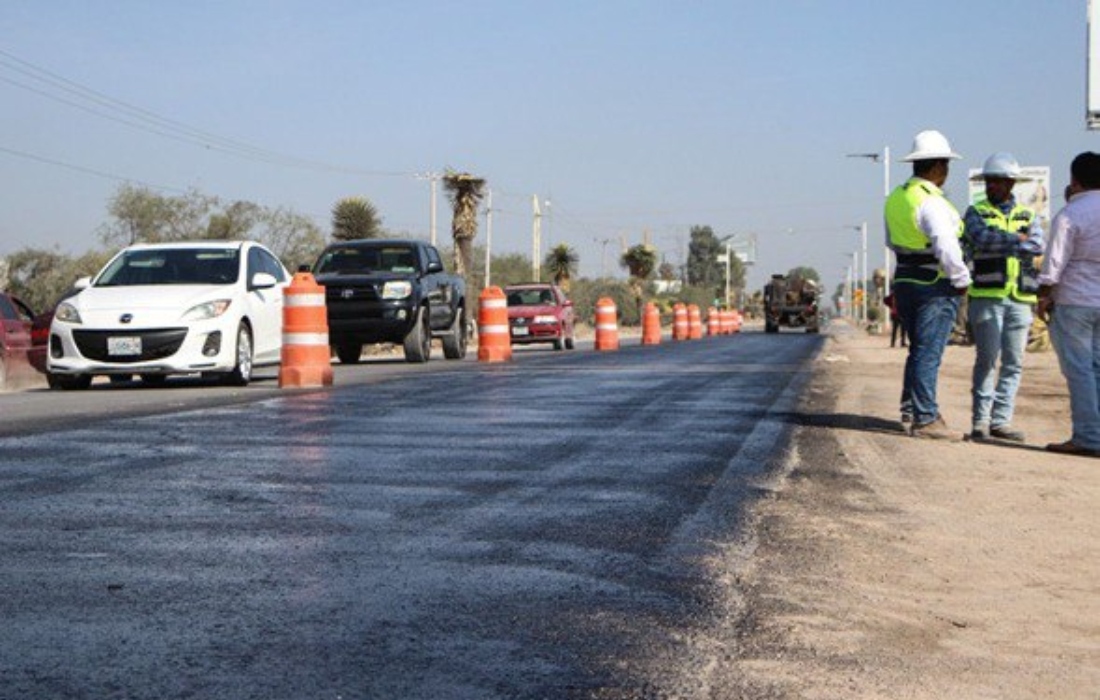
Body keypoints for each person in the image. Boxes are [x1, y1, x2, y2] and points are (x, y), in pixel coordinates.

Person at [885, 130, 972, 439]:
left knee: (918, 350)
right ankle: (926, 417)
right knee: (928, 352)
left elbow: (891, 242)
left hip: (906, 283)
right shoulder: (932, 202)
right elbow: (946, 245)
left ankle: (910, 408)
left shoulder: (897, 198)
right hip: (935, 285)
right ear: (938, 166)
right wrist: (962, 280)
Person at [962, 153, 1044, 442]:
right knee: (987, 360)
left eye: (997, 181)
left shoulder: (1028, 215)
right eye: (989, 181)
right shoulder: (975, 212)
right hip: (987, 295)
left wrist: (1004, 241)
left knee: (1013, 362)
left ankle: (1001, 421)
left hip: (1020, 298)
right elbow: (981, 239)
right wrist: (1016, 241)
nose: (992, 186)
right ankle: (980, 422)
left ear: (1010, 184)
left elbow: (1036, 244)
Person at [1036, 152, 1100, 457]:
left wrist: (1043, 295)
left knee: (1080, 371)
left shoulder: (1070, 214)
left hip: (1075, 301)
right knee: (1097, 368)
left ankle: (1088, 436)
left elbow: (1053, 264)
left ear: (1075, 180)